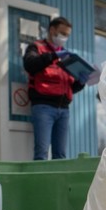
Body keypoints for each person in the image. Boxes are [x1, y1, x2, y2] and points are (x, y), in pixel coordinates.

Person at [23, 17, 85, 160]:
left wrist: (81, 82)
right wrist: (52, 56)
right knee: (42, 152)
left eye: (67, 35)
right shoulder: (36, 48)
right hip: (43, 107)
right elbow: (30, 65)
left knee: (60, 155)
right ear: (52, 30)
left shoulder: (67, 56)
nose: (64, 37)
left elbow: (70, 87)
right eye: (62, 33)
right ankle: (38, 182)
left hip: (64, 110)